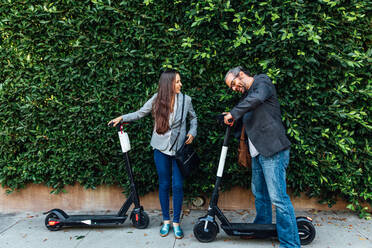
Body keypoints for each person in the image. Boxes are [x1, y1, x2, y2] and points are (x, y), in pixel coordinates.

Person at [108, 69, 197, 239]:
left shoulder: (186, 100)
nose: (180, 84)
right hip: (160, 149)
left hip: (179, 151)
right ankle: (166, 221)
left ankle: (176, 223)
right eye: (177, 81)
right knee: (164, 184)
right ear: (168, 83)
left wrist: (193, 132)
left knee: (177, 186)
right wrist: (123, 117)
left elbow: (194, 118)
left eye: (180, 81)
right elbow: (140, 113)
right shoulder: (157, 99)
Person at [223, 66, 300, 248]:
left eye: (233, 84)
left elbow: (255, 100)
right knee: (260, 194)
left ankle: (290, 244)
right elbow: (246, 114)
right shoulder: (246, 96)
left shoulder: (262, 82)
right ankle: (261, 227)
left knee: (278, 199)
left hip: (273, 150)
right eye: (231, 87)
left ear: (241, 74)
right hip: (257, 152)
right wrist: (229, 118)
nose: (234, 88)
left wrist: (234, 112)